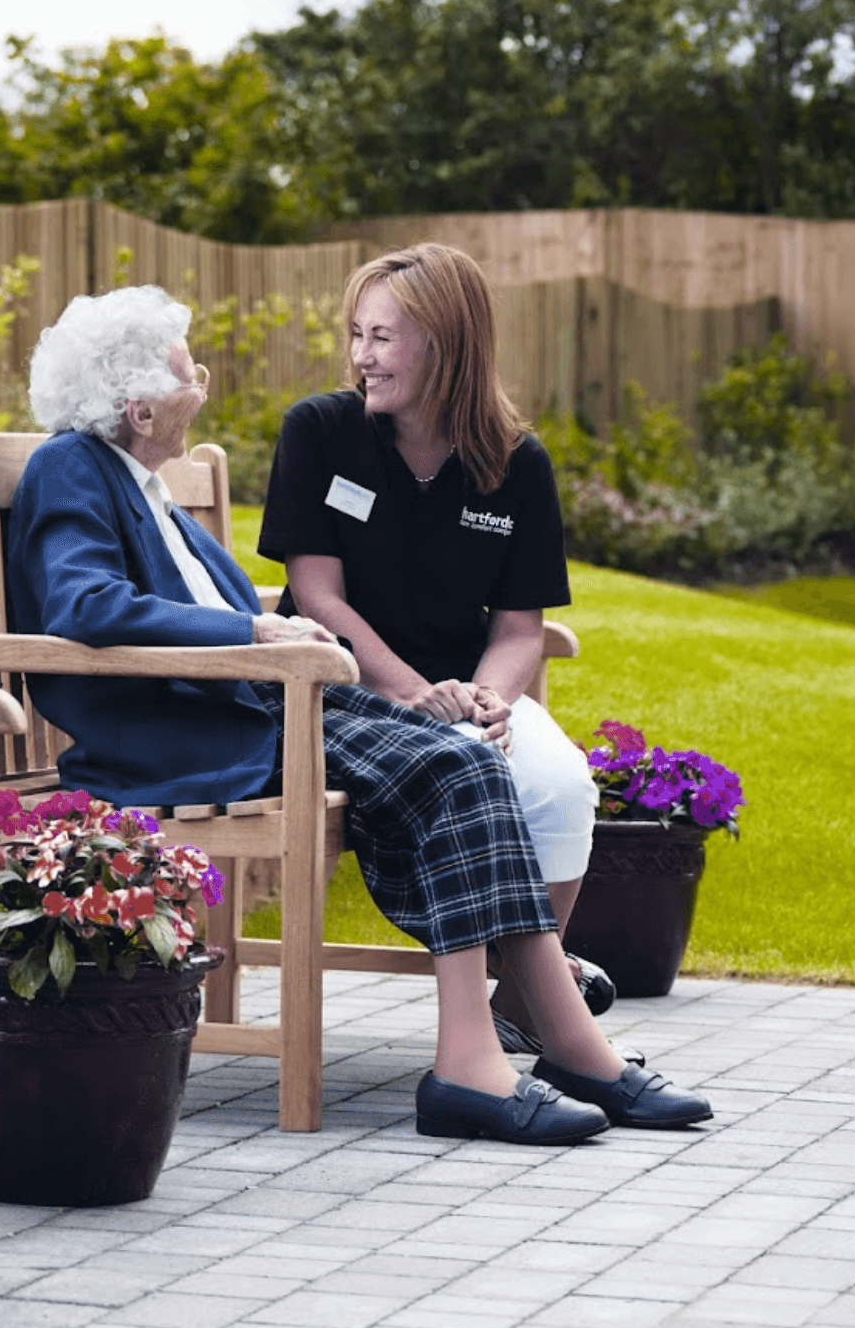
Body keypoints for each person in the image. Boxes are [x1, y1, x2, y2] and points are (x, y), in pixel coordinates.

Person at [2, 282, 710, 1144]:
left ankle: (532, 1049)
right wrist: (256, 628)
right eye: (195, 375)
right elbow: (83, 605)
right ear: (142, 407)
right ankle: (502, 1061)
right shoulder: (70, 468)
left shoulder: (140, 482)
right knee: (459, 763)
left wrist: (268, 636)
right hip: (189, 735)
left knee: (465, 756)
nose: (207, 386)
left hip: (261, 706)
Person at [257, 242, 611, 1059]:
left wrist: (489, 700)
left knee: (562, 788)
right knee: (467, 768)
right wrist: (419, 692)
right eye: (356, 334)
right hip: (346, 686)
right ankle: (541, 1011)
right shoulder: (321, 432)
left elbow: (520, 626)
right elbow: (318, 597)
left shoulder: (516, 465)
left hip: (465, 696)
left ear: (445, 345)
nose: (361, 357)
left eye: (382, 338)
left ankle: (522, 1001)